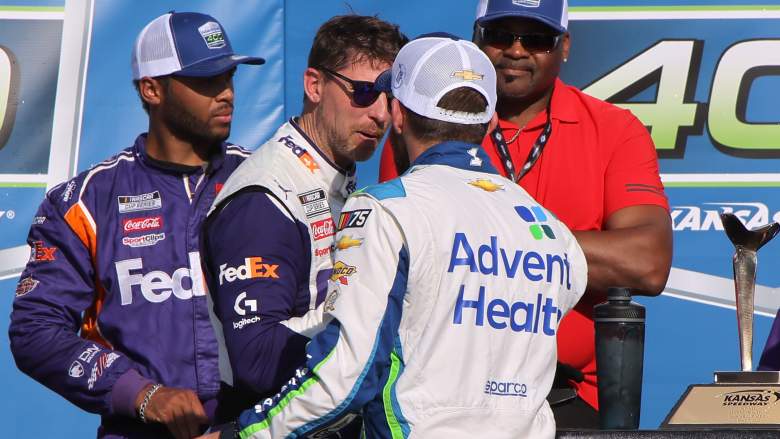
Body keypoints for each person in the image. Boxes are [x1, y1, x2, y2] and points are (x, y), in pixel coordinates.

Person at [203, 33, 588, 439]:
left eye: (385, 101)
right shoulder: (552, 232)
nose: (379, 115)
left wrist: (242, 435)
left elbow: (346, 373)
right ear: (491, 122)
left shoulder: (389, 209)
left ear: (399, 114)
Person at [378, 0, 672, 428]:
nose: (516, 50)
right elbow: (405, 248)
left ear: (564, 46)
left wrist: (500, 241)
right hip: (444, 389)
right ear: (477, 39)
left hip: (567, 393)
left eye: (536, 39)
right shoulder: (426, 124)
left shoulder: (613, 129)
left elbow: (647, 263)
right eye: (500, 35)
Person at [9, 11, 263, 439]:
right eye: (206, 80)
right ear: (152, 89)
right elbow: (35, 330)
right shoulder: (85, 202)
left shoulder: (265, 181)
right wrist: (142, 393)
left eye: (229, 77)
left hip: (256, 427)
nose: (226, 94)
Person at [199, 14, 406, 435]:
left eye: (390, 97)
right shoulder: (265, 195)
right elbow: (258, 358)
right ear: (314, 85)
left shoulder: (333, 178)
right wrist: (369, 346)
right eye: (365, 93)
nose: (381, 115)